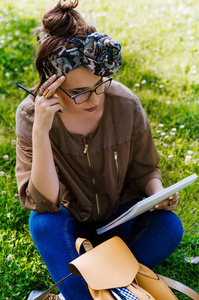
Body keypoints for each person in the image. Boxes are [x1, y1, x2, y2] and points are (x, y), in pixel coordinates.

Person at [15, 1, 183, 299]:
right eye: (79, 92)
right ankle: (114, 284)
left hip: (119, 221)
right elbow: (46, 202)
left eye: (99, 84)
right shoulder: (31, 116)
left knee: (168, 227)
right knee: (42, 224)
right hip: (69, 229)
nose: (94, 99)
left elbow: (145, 171)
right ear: (51, 87)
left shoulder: (125, 103)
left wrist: (158, 193)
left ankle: (87, 285)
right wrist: (41, 130)